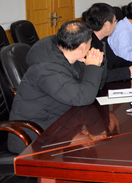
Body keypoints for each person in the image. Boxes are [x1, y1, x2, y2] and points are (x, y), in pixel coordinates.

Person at [8, 21, 105, 153]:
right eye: (90, 43)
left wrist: (96, 63)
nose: (91, 47)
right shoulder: (46, 69)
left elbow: (96, 86)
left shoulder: (67, 56)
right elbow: (83, 98)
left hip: (59, 124)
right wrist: (92, 66)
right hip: (33, 137)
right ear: (82, 46)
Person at [83, 3, 132, 82]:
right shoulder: (87, 44)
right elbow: (101, 76)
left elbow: (116, 61)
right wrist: (128, 72)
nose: (116, 25)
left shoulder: (103, 39)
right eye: (114, 21)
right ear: (106, 25)